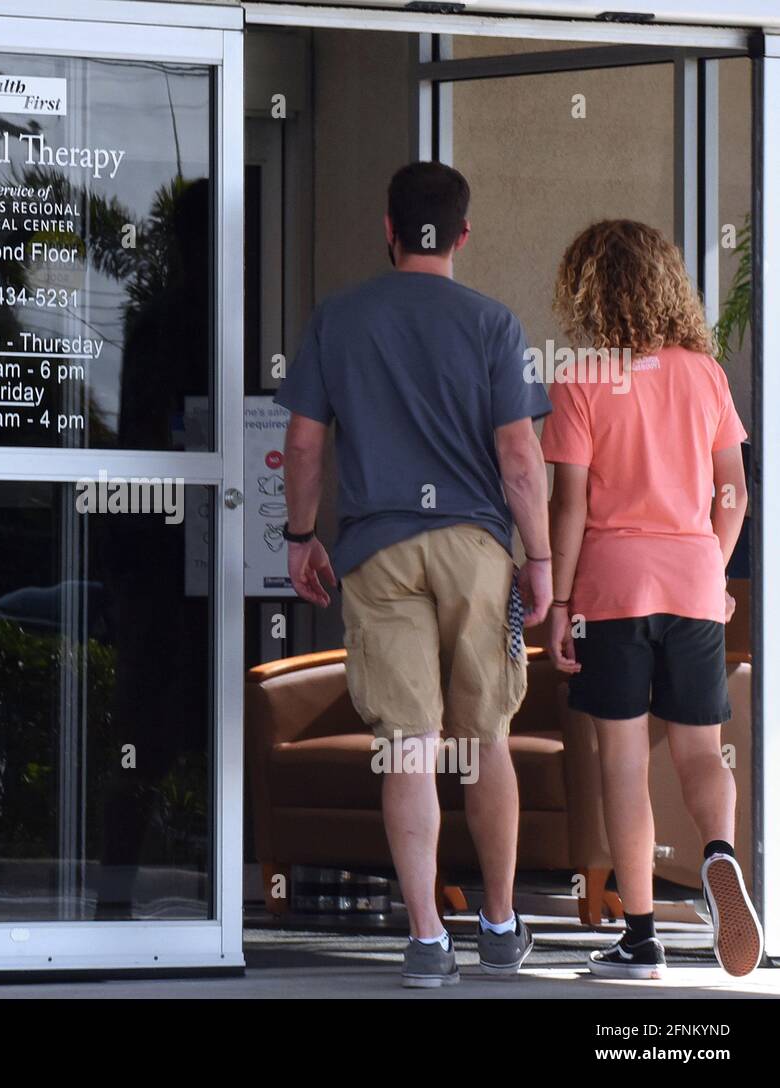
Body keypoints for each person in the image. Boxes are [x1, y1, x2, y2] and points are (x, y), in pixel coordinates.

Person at [276, 161, 553, 987]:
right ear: (463, 235)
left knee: (408, 746)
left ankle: (428, 938)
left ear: (388, 229)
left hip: (377, 550)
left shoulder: (338, 319)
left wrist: (298, 537)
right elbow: (519, 456)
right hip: (475, 548)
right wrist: (540, 559)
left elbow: (301, 445)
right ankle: (500, 924)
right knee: (486, 740)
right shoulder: (494, 324)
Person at [542, 219, 764, 979]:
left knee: (624, 761)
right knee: (701, 749)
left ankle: (639, 937)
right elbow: (733, 493)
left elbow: (568, 508)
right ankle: (720, 853)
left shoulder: (578, 378)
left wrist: (559, 602)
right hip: (692, 581)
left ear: (588, 291)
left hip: (612, 589)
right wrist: (711, 566)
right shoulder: (704, 374)